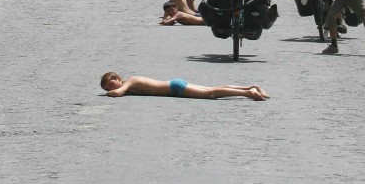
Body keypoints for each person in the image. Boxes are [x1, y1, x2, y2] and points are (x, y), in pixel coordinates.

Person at [100, 72, 269, 100]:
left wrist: (110, 94)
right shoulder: (130, 85)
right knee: (211, 88)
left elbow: (119, 93)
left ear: (117, 77)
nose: (111, 88)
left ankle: (250, 94)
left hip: (175, 87)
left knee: (211, 93)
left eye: (110, 84)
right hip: (174, 85)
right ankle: (249, 87)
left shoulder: (130, 81)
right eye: (108, 88)